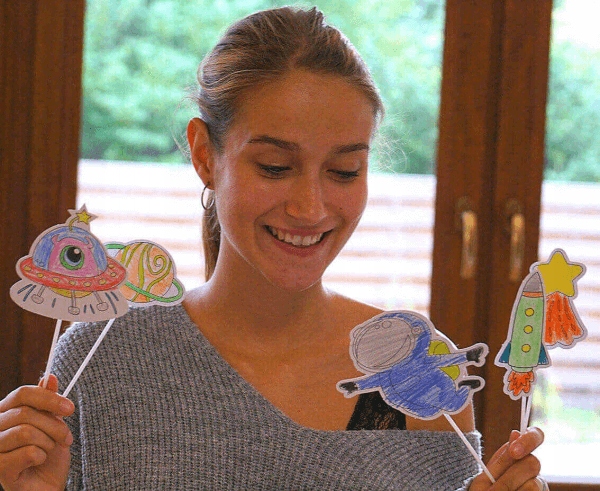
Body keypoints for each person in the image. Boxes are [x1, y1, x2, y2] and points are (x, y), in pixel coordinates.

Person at [0, 6, 546, 490]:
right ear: (204, 155)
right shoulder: (99, 359)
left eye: (344, 170)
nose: (310, 208)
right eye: (275, 167)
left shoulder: (416, 363)